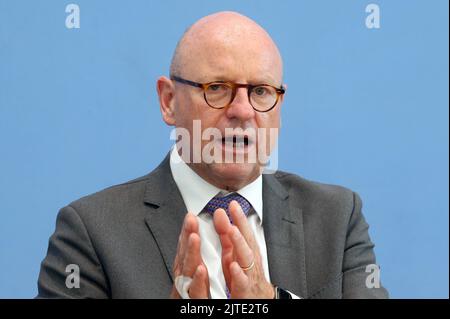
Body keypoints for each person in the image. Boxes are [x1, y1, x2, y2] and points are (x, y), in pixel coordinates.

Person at [37, 11, 388, 299]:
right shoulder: (91, 232)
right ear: (169, 101)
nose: (242, 111)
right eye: (217, 88)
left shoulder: (337, 217)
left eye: (261, 91)